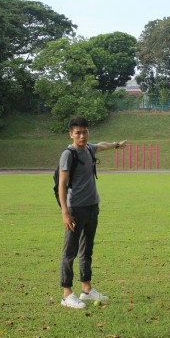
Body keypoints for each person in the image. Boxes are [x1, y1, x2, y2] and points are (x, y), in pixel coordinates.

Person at [58, 116, 126, 309]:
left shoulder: (89, 148)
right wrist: (65, 212)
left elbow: (102, 145)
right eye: (78, 133)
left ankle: (86, 289)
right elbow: (62, 184)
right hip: (75, 208)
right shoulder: (68, 154)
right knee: (69, 251)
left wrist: (116, 145)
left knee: (87, 249)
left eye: (85, 132)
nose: (82, 136)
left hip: (92, 206)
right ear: (71, 134)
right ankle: (66, 294)